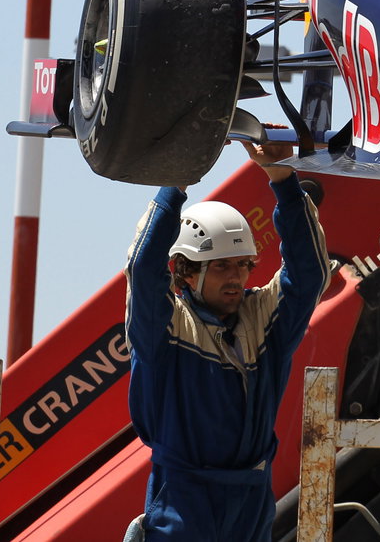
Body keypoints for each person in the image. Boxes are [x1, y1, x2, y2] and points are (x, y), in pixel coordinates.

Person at [123, 136, 331, 541]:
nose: (236, 277)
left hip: (251, 503)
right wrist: (176, 183)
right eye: (220, 266)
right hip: (183, 501)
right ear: (185, 272)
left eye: (243, 264)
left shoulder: (263, 320)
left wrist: (283, 181)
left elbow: (310, 275)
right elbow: (143, 270)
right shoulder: (165, 330)